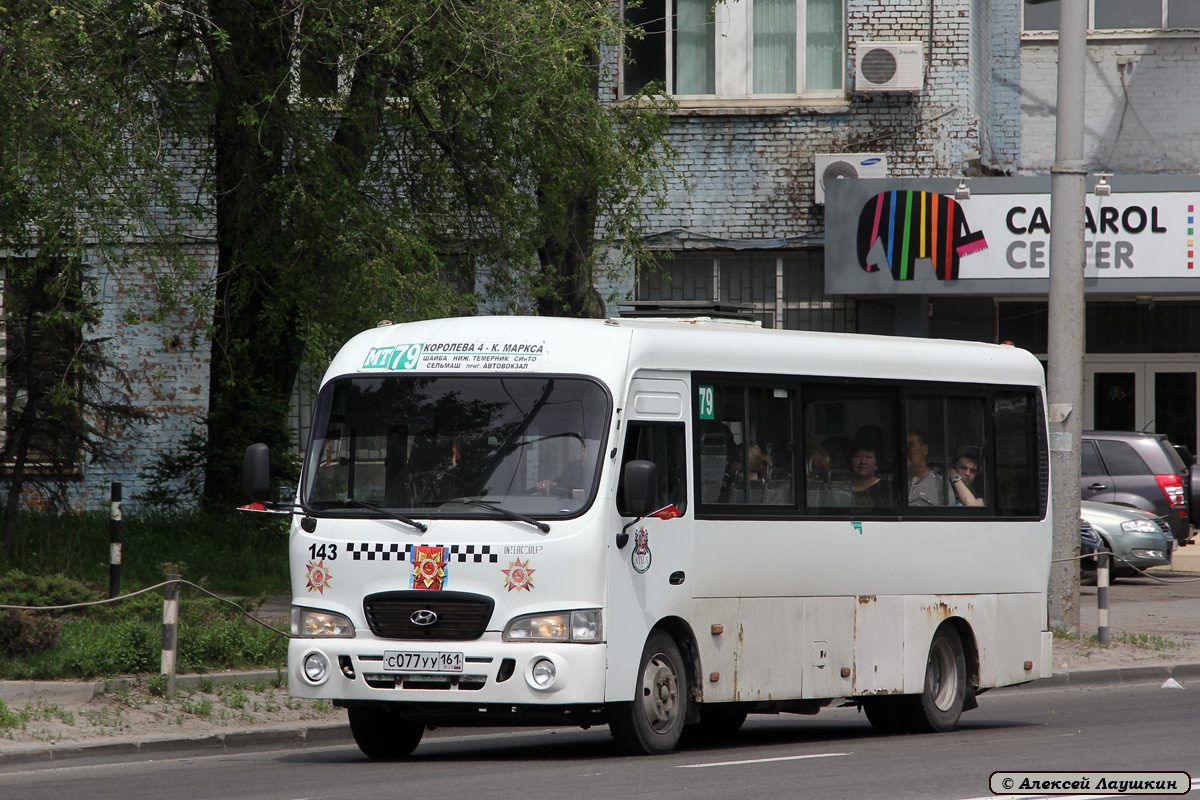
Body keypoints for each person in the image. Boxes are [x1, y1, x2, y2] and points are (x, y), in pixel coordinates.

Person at [907, 430, 947, 506]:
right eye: (904, 447)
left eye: (911, 446)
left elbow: (949, 515)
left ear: (925, 449)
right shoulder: (893, 482)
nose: (907, 451)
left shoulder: (940, 484)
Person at [849, 442, 892, 510]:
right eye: (858, 456)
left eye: (868, 457)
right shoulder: (842, 487)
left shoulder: (887, 488)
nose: (863, 461)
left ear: (876, 465)